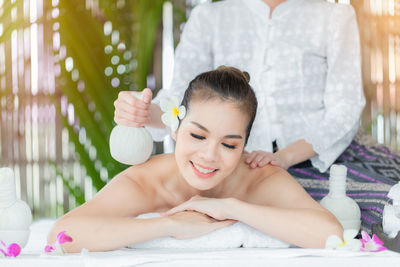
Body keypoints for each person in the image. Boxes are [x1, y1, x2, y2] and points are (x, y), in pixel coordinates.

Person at [113, 0, 399, 234]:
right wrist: (142, 112)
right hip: (239, 165)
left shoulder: (334, 16)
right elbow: (178, 103)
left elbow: (345, 108)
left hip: (326, 156)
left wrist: (284, 158)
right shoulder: (208, 18)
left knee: (386, 203)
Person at [48, 67, 343, 253]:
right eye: (198, 136)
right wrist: (170, 225)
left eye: (229, 144)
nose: (209, 156)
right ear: (175, 130)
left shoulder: (259, 178)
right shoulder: (150, 180)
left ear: (244, 147)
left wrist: (229, 208)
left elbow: (330, 233)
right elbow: (61, 235)